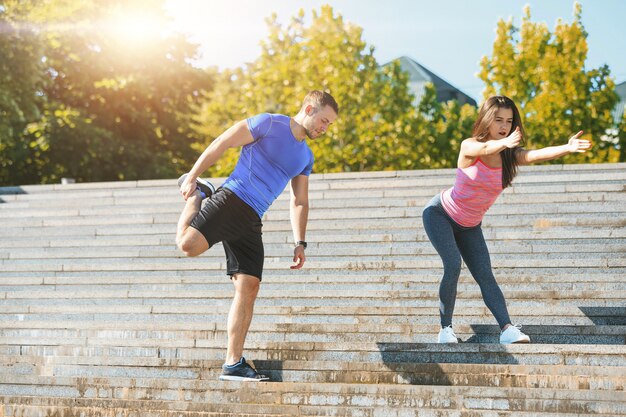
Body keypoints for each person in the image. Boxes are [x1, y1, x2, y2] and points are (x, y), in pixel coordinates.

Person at [176, 90, 338, 380]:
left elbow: (299, 200)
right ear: (309, 108)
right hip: (232, 198)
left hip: (252, 218)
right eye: (324, 121)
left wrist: (300, 241)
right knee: (187, 245)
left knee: (249, 287)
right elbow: (222, 142)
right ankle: (200, 194)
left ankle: (233, 362)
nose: (325, 128)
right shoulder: (269, 124)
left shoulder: (306, 156)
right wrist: (191, 177)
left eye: (329, 125)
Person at [422, 95, 592, 344]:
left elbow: (535, 155)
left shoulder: (509, 156)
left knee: (485, 275)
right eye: (499, 120)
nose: (504, 126)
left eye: (509, 121)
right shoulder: (469, 146)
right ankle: (445, 329)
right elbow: (485, 148)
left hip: (470, 225)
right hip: (440, 214)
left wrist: (566, 148)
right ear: (486, 120)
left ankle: (507, 329)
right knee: (453, 264)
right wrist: (504, 143)